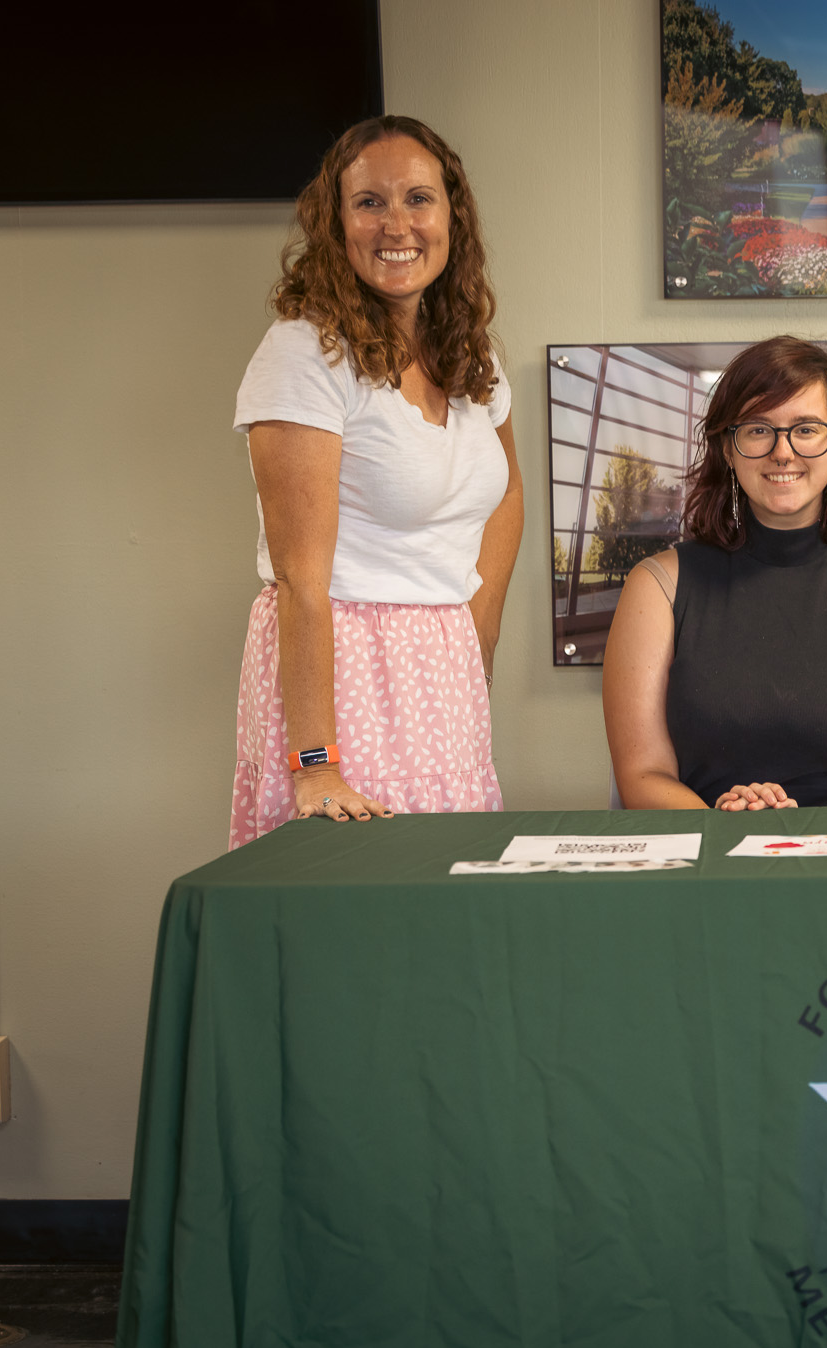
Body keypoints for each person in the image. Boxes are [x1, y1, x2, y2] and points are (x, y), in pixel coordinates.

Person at [230, 115, 521, 848]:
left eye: (418, 199)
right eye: (369, 203)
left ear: (453, 217)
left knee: (448, 911)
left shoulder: (468, 352)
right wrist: (316, 764)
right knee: (353, 916)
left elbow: (506, 493)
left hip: (443, 672)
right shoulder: (302, 354)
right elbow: (301, 580)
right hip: (347, 673)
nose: (396, 224)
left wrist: (474, 637)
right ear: (337, 224)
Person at [602, 337, 827, 811]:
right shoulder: (657, 588)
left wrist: (802, 845)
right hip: (701, 859)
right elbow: (642, 775)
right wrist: (725, 836)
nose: (782, 452)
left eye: (806, 429)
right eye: (759, 429)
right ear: (728, 447)